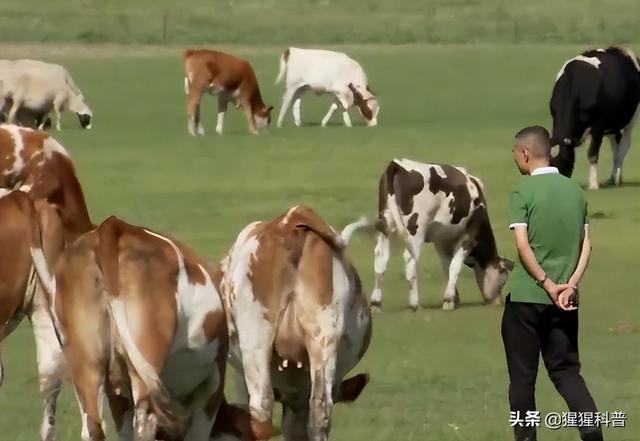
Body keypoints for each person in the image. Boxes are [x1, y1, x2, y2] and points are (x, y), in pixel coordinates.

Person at [503, 126, 603, 441]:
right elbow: (586, 244)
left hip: (526, 299)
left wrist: (546, 283)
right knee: (567, 374)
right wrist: (569, 284)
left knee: (523, 380)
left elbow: (522, 245)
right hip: (566, 301)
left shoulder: (523, 192)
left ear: (524, 154)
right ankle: (594, 435)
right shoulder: (576, 190)